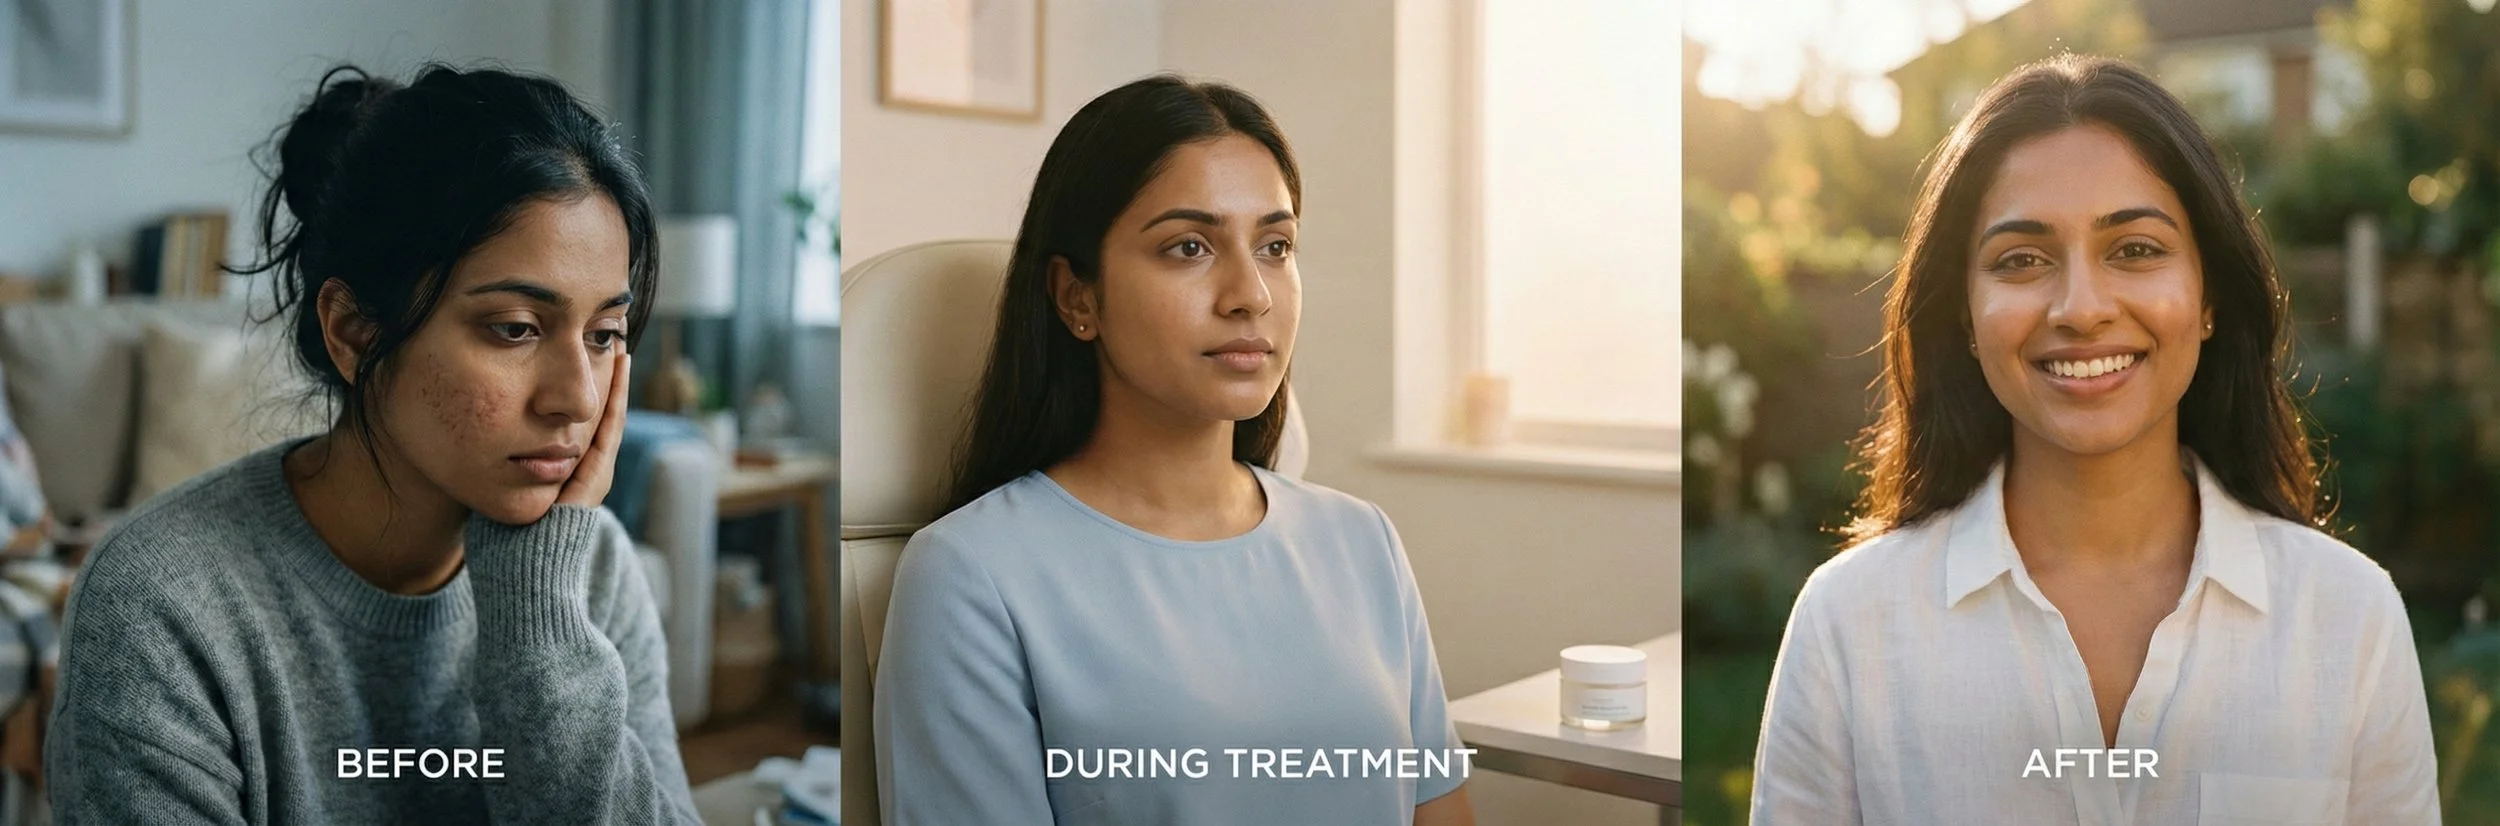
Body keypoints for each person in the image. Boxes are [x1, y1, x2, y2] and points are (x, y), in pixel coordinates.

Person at [1750, 54, 2439, 824]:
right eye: (2021, 260)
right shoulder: (1849, 626)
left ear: (2209, 295)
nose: (2081, 308)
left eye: (2135, 249)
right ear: (1965, 316)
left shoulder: (2349, 618)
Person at [45, 64, 698, 824]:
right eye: (515, 328)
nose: (579, 398)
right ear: (355, 333)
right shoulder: (160, 608)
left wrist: (539, 623)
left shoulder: (594, 571)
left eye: (604, 334)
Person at [874, 75, 1477, 825]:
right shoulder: (972, 575)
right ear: (1077, 296)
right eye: (1189, 247)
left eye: (1275, 246)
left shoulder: (1362, 541)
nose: (1251, 293)